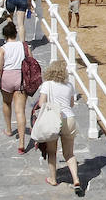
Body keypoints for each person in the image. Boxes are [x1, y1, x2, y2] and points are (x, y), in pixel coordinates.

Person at [33, 59, 82, 193]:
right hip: (69, 119)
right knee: (69, 153)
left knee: (52, 151)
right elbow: (71, 104)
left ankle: (53, 179)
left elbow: (42, 103)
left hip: (53, 119)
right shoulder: (70, 85)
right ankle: (76, 179)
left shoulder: (47, 84)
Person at [0, 22, 30, 144]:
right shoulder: (24, 46)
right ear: (16, 33)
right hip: (20, 77)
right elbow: (31, 62)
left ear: (4, 36)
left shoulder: (2, 49)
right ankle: (22, 142)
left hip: (7, 78)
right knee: (20, 111)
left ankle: (8, 129)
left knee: (7, 103)